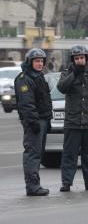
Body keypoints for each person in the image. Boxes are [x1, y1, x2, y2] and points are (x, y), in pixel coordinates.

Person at [57, 45, 88, 192]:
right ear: (73, 60)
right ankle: (66, 183)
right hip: (72, 122)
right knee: (69, 155)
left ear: (86, 58)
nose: (79, 61)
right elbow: (61, 88)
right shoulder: (67, 73)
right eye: (77, 58)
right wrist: (75, 74)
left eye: (82, 58)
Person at [15, 48, 52, 196]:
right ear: (30, 62)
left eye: (42, 61)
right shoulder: (25, 78)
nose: (40, 63)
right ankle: (32, 187)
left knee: (38, 154)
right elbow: (27, 103)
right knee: (33, 154)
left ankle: (35, 185)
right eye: (37, 61)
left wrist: (47, 120)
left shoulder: (38, 76)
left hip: (42, 120)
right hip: (34, 122)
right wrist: (33, 121)